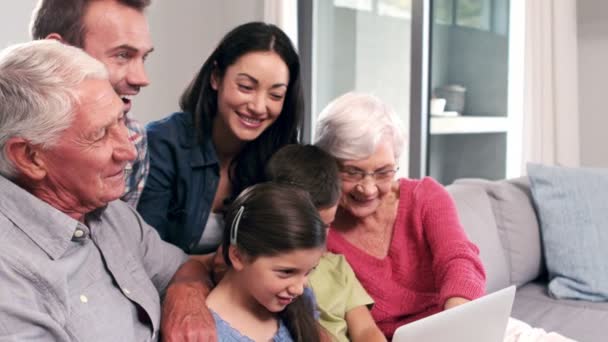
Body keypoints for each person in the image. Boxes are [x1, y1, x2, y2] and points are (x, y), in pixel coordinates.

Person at [0, 40, 212, 341]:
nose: (129, 151)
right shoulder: (8, 277)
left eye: (120, 121)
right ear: (30, 157)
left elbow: (183, 267)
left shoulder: (106, 209)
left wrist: (185, 294)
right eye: (100, 134)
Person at [314, 92, 487, 339]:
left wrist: (456, 324)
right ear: (327, 165)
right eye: (353, 172)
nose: (368, 188)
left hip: (455, 327)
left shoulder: (425, 197)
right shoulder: (322, 230)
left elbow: (459, 260)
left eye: (383, 172)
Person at [137, 21, 303, 254]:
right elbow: (145, 251)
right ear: (216, 77)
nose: (258, 107)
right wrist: (207, 267)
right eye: (246, 87)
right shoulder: (163, 144)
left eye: (275, 95)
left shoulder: (282, 155)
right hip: (164, 286)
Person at [31, 0, 153, 207]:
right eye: (123, 55)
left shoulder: (133, 139)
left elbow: (121, 235)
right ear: (58, 52)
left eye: (144, 58)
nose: (141, 78)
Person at [266, 144, 386, 342]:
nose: (319, 240)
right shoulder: (268, 275)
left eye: (327, 226)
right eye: (309, 230)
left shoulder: (338, 268)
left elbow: (366, 330)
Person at [206, 182, 324, 341]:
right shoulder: (207, 332)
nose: (299, 289)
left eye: (308, 271)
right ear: (238, 256)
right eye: (286, 272)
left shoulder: (301, 301)